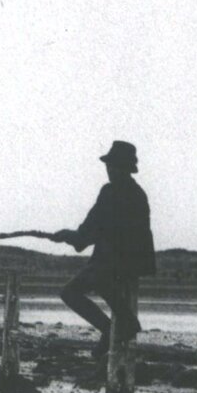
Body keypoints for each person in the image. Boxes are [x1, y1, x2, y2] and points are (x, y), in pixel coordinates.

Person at [55, 139, 156, 352]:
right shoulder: (127, 193)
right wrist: (75, 237)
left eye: (114, 166)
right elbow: (94, 228)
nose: (109, 170)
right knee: (90, 284)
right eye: (109, 166)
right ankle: (116, 328)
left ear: (125, 168)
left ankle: (115, 327)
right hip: (122, 260)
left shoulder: (119, 193)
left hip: (119, 260)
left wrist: (75, 237)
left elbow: (96, 229)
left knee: (72, 291)